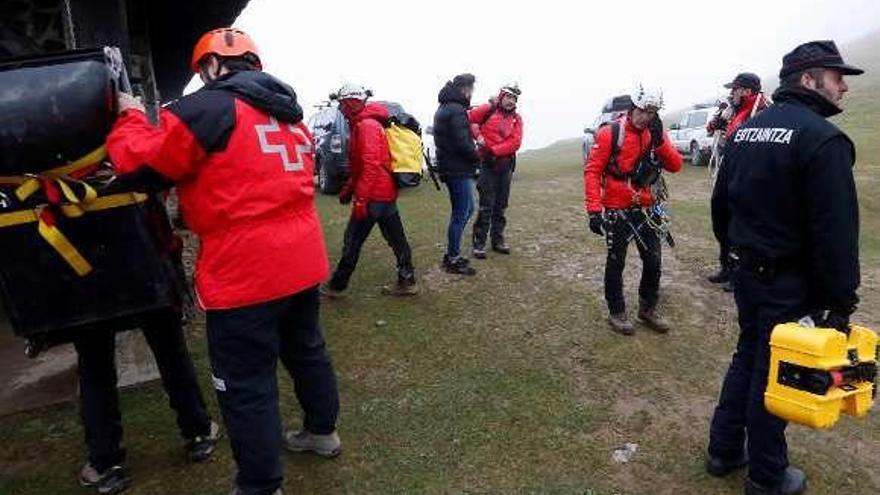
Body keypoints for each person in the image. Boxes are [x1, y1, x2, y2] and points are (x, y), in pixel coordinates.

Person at [106, 28, 341, 495]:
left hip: (245, 269)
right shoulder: (289, 114)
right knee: (306, 351)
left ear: (211, 67)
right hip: (302, 258)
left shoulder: (205, 110)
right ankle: (321, 432)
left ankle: (260, 484)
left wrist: (130, 119)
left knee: (245, 381)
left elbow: (141, 167)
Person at [707, 40, 863, 495]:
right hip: (787, 283)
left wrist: (736, 256)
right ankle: (767, 475)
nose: (844, 89)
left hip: (746, 273)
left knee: (748, 356)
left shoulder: (744, 133)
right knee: (773, 370)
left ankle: (724, 451)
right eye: (838, 79)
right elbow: (836, 234)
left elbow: (721, 209)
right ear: (809, 80)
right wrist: (839, 303)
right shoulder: (822, 140)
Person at [75, 309, 219, 495]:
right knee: (170, 347)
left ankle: (105, 462)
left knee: (94, 365)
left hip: (87, 297)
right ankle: (199, 430)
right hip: (145, 287)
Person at [584, 85, 683, 335]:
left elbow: (676, 165)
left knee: (653, 261)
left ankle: (647, 308)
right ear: (632, 107)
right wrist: (594, 210)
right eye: (642, 111)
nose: (645, 117)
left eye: (651, 112)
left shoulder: (656, 133)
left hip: (648, 208)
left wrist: (660, 143)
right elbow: (593, 171)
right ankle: (616, 312)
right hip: (617, 208)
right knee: (616, 262)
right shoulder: (610, 133)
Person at [322, 83, 417, 297]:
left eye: (342, 104)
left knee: (353, 241)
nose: (341, 109)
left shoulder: (366, 126)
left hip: (374, 196)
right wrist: (348, 190)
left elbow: (370, 165)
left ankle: (338, 286)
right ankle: (408, 280)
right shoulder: (368, 124)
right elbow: (360, 166)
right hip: (384, 195)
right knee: (397, 240)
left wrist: (361, 200)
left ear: (350, 104)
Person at [706, 72, 769, 291]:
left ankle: (740, 272)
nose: (731, 93)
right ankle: (726, 266)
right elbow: (713, 130)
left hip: (748, 176)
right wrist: (718, 120)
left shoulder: (762, 111)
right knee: (721, 217)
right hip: (728, 170)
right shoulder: (734, 110)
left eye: (735, 89)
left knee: (741, 224)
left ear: (747, 91)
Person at [433, 73, 481, 275]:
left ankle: (452, 255)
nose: (472, 93)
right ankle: (453, 258)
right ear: (465, 89)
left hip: (453, 167)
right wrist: (478, 156)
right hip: (457, 169)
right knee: (462, 212)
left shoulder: (447, 107)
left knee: (466, 210)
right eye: (471, 89)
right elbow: (462, 142)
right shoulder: (456, 110)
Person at [469, 83, 524, 258]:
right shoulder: (488, 109)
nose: (511, 101)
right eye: (508, 97)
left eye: (514, 98)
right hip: (486, 165)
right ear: (501, 96)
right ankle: (479, 243)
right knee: (486, 205)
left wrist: (494, 150)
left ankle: (498, 240)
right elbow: (469, 119)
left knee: (501, 205)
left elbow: (516, 142)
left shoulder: (517, 119)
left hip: (505, 166)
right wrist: (477, 136)